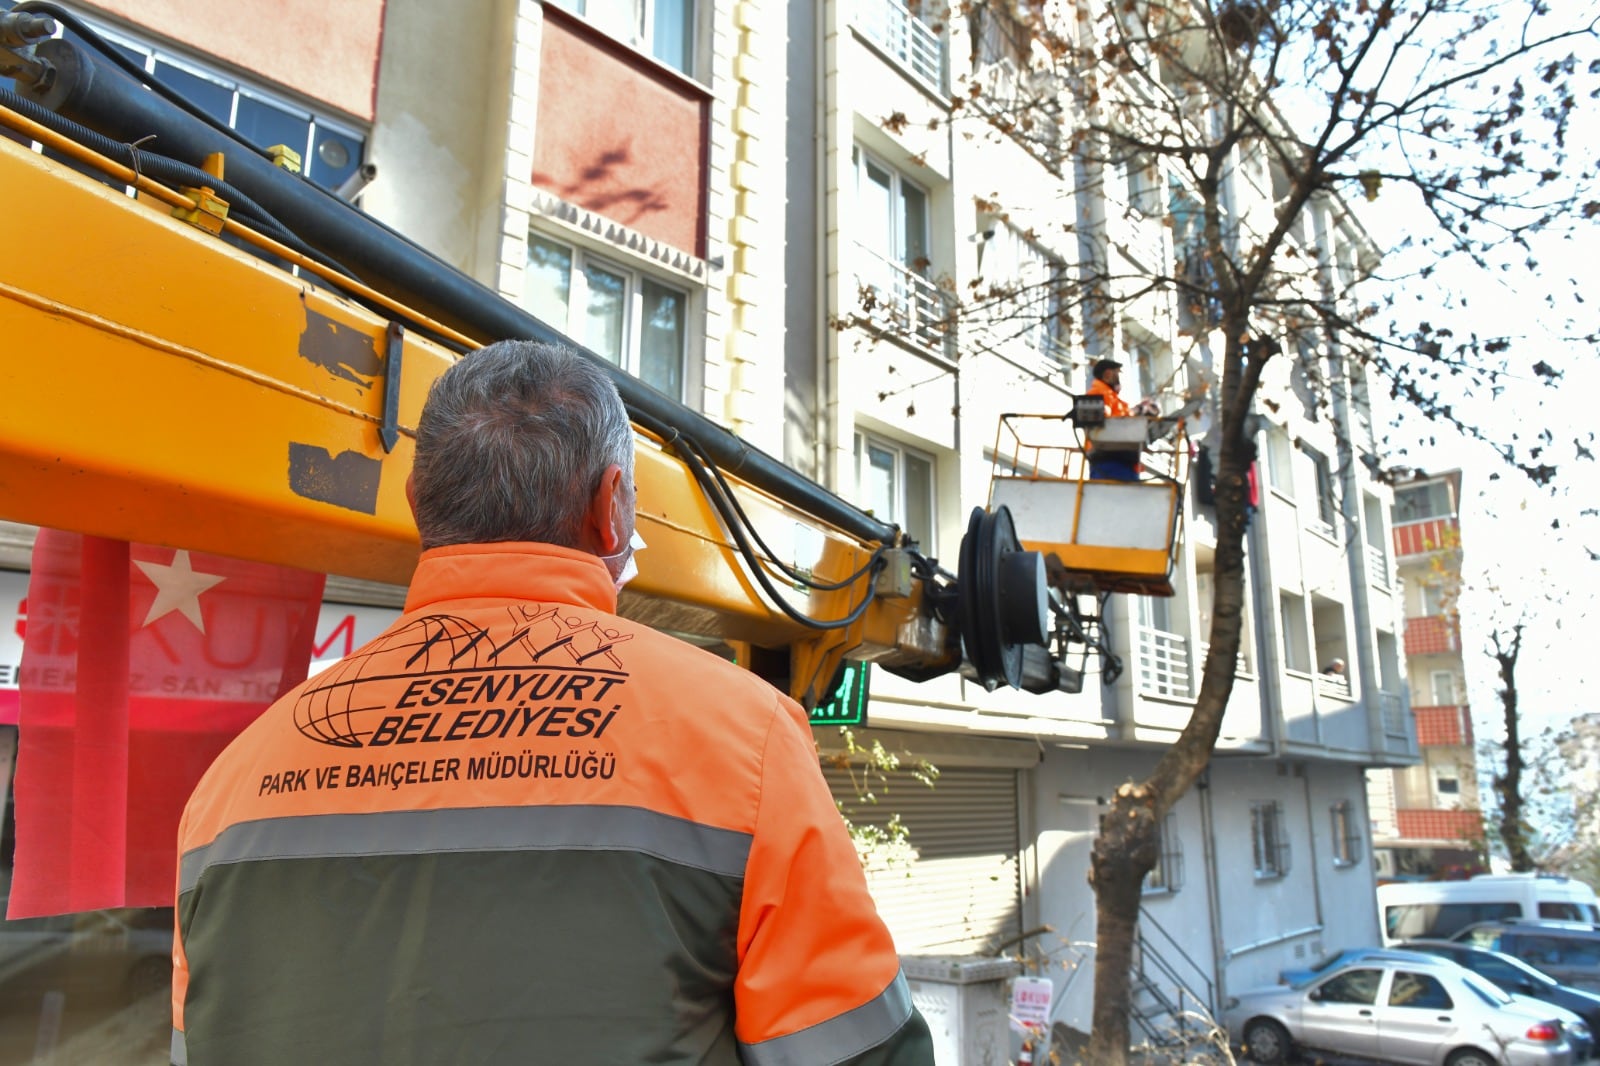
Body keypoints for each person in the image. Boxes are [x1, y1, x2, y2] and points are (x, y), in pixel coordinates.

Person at [171, 340, 934, 1065]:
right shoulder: (747, 739)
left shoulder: (234, 779)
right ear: (612, 507)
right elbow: (856, 1049)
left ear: (417, 503)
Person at [1085, 357, 1156, 482]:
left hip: (1121, 458)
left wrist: (1139, 410)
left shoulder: (1111, 398)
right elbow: (1108, 424)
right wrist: (1138, 411)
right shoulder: (1098, 394)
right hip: (1108, 458)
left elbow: (1120, 418)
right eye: (1117, 373)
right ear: (1108, 374)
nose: (1119, 378)